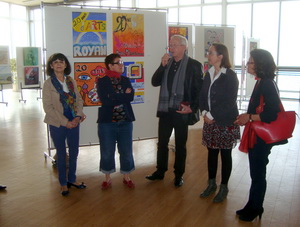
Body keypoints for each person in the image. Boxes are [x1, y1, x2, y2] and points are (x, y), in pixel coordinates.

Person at [146, 35, 203, 187]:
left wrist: (193, 107)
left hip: (181, 111)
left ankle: (179, 175)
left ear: (185, 47)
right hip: (165, 110)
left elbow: (199, 90)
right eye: (170, 45)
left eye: (176, 45)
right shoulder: (167, 63)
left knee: (180, 145)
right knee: (162, 143)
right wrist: (162, 65)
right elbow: (154, 82)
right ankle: (160, 171)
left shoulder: (194, 65)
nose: (172, 48)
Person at [235, 49, 285, 221]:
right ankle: (252, 205)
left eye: (251, 61)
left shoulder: (267, 84)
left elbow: (272, 113)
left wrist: (248, 117)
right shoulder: (262, 82)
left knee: (258, 174)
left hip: (262, 136)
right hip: (258, 133)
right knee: (256, 173)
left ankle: (255, 207)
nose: (248, 64)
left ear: (259, 64)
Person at [199, 43, 240, 203]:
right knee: (211, 153)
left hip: (225, 120)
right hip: (210, 120)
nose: (208, 55)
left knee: (225, 154)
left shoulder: (230, 76)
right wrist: (204, 112)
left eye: (211, 53)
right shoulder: (208, 73)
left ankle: (224, 186)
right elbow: (202, 96)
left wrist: (211, 114)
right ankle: (211, 184)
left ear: (220, 56)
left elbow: (229, 101)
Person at [43, 53, 87, 196]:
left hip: (74, 121)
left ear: (66, 64)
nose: (58, 64)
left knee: (74, 152)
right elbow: (48, 108)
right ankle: (63, 183)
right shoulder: (48, 84)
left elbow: (79, 100)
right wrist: (65, 122)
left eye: (61, 61)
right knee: (62, 154)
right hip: (57, 123)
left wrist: (78, 116)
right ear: (51, 66)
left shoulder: (71, 81)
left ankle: (72, 179)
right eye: (55, 62)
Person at [97, 53, 136, 190]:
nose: (121, 65)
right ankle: (107, 178)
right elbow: (106, 101)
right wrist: (123, 95)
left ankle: (127, 176)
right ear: (110, 65)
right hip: (107, 122)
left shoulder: (125, 79)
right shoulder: (102, 81)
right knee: (107, 151)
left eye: (122, 62)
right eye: (118, 62)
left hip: (125, 121)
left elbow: (130, 97)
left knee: (126, 150)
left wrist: (117, 96)